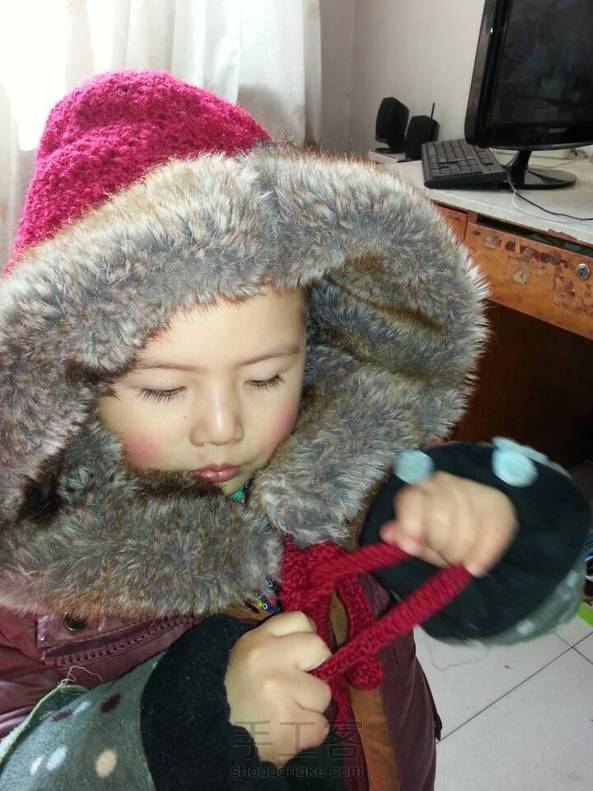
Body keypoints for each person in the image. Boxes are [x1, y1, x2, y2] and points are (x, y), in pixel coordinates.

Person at [0, 70, 589, 791]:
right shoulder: (28, 580)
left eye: (265, 377)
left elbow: (539, 588)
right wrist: (186, 724)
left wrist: (501, 525)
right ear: (70, 380)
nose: (224, 428)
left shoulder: (357, 459)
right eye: (163, 388)